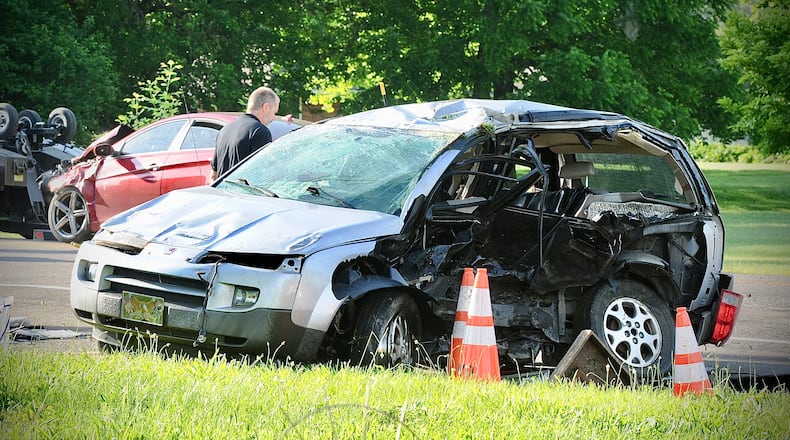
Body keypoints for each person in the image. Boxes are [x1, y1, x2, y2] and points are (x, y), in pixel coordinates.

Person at [211, 86, 280, 180]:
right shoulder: (260, 131)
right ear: (266, 107)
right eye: (274, 112)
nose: (274, 118)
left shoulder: (224, 130)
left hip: (222, 189)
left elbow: (213, 175)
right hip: (242, 189)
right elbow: (262, 174)